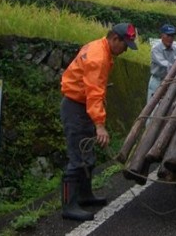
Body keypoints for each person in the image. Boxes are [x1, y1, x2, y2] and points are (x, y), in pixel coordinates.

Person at [60, 22, 138, 221]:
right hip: (76, 107)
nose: (125, 50)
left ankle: (85, 196)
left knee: (88, 153)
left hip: (82, 106)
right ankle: (69, 206)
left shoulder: (99, 47)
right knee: (78, 157)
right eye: (124, 45)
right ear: (114, 39)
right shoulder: (98, 58)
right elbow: (93, 93)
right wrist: (100, 125)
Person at [147, 24, 176, 101]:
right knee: (152, 106)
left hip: (169, 82)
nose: (170, 38)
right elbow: (164, 63)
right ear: (162, 35)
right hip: (157, 81)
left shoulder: (175, 50)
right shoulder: (156, 49)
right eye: (168, 35)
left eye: (172, 36)